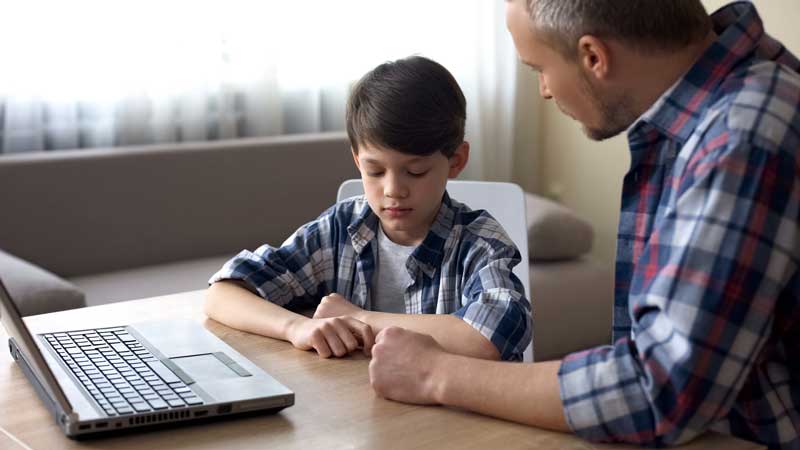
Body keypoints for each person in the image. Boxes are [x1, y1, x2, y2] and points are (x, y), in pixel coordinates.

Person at [368, 1, 800, 449]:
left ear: (593, 56)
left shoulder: (743, 137)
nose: (544, 91)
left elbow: (659, 389)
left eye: (539, 68)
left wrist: (434, 372)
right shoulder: (722, 109)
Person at [205, 56, 531, 362]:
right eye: (375, 171)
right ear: (357, 161)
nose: (393, 190)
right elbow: (223, 293)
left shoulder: (479, 243)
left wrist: (360, 318)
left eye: (415, 171)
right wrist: (297, 327)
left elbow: (489, 337)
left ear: (456, 161)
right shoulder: (340, 228)